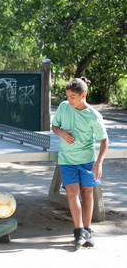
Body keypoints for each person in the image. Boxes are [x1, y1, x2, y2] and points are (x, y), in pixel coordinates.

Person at [51, 78, 108, 249]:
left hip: (88, 160)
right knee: (72, 192)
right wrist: (61, 132)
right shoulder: (63, 107)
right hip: (67, 160)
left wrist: (99, 162)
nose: (69, 100)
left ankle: (88, 230)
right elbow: (54, 127)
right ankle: (78, 230)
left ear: (83, 95)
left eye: (73, 97)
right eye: (67, 96)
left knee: (87, 193)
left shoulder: (94, 116)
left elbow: (104, 140)